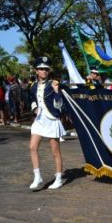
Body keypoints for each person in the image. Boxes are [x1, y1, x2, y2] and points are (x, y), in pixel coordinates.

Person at [29, 56, 66, 190]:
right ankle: (37, 176)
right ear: (36, 71)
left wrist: (57, 92)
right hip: (39, 120)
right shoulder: (33, 86)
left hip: (51, 119)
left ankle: (59, 178)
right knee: (32, 147)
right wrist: (34, 108)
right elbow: (31, 98)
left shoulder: (53, 84)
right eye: (41, 69)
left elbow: (59, 105)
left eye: (46, 69)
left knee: (55, 151)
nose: (43, 71)